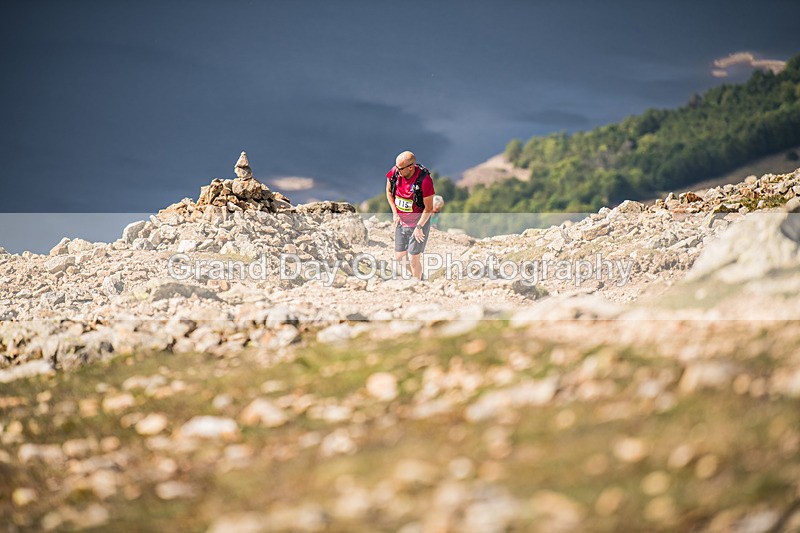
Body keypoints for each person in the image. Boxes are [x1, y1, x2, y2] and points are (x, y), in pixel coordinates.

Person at [386, 150, 435, 280]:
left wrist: (419, 227)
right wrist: (395, 213)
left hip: (419, 223)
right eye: (396, 167)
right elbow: (389, 192)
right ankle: (418, 276)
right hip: (401, 222)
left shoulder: (425, 181)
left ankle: (417, 283)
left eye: (400, 168)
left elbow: (429, 208)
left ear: (411, 167)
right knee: (400, 257)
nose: (397, 170)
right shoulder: (394, 173)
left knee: (414, 259)